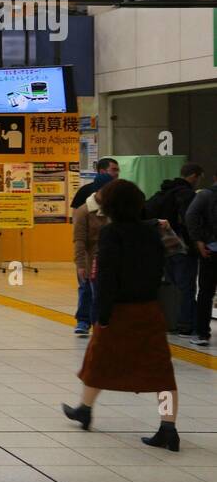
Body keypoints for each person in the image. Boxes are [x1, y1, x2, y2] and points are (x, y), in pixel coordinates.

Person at [62, 179, 180, 451]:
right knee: (161, 371)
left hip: (119, 310)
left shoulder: (112, 234)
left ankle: (85, 409)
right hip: (149, 308)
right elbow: (174, 254)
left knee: (98, 360)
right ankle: (168, 427)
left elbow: (107, 277)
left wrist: (101, 314)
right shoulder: (153, 232)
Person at [149, 163, 204, 336]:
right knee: (186, 287)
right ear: (194, 176)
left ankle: (171, 321)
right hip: (183, 248)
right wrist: (196, 243)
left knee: (171, 286)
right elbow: (190, 221)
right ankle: (186, 325)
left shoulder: (163, 192)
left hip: (165, 247)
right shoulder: (187, 195)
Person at [185, 173, 217, 349]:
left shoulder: (205, 195)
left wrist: (198, 240)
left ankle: (202, 333)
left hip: (211, 250)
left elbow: (191, 216)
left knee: (206, 292)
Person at [71, 188, 108, 337]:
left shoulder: (114, 209)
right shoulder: (84, 211)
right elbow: (79, 240)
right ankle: (85, 321)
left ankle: (101, 325)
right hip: (89, 259)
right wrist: (80, 264)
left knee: (99, 294)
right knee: (88, 290)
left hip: (107, 259)